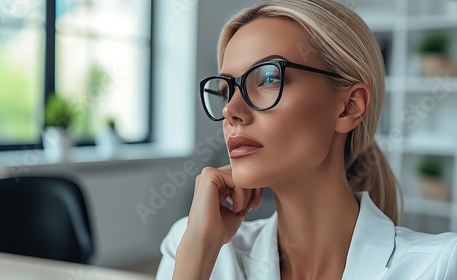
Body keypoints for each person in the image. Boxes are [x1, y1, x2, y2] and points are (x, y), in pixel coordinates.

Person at [156, 0, 457, 279]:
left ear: (349, 107)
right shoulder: (193, 245)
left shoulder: (440, 266)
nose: (231, 110)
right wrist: (197, 254)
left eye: (268, 79)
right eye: (226, 90)